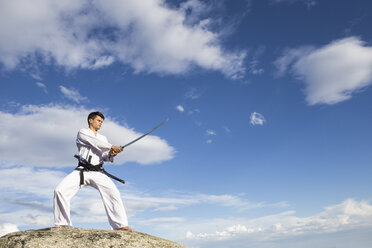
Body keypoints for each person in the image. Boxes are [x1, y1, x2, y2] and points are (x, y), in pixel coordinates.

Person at [54, 111, 133, 232]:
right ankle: (63, 223)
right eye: (98, 120)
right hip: (82, 170)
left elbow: (104, 156)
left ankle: (120, 225)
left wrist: (111, 154)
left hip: (97, 171)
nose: (101, 123)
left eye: (102, 121)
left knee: (113, 193)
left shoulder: (103, 138)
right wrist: (112, 146)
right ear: (90, 120)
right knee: (60, 191)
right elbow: (94, 142)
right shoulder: (83, 132)